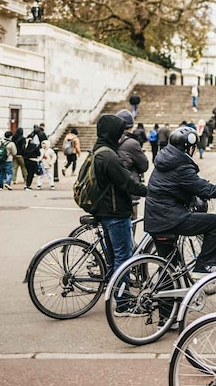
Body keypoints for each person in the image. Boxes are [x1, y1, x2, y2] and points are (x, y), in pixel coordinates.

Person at [145, 126, 216, 275]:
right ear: (188, 147)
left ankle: (165, 297)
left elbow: (184, 184)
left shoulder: (165, 159)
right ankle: (202, 267)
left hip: (155, 219)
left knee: (169, 266)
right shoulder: (181, 165)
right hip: (169, 219)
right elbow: (207, 190)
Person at [89, 114, 148, 315]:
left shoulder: (99, 150)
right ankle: (123, 304)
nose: (121, 134)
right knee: (124, 258)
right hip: (116, 212)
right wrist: (152, 191)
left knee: (115, 257)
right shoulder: (110, 157)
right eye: (119, 131)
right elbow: (128, 183)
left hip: (104, 210)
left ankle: (117, 292)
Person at [116, 109, 150, 224]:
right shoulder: (132, 143)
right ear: (131, 125)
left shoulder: (110, 140)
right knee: (130, 224)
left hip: (111, 190)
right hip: (129, 189)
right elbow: (144, 165)